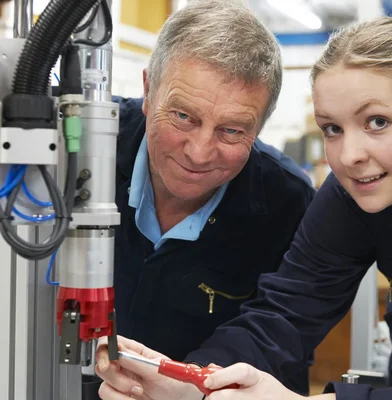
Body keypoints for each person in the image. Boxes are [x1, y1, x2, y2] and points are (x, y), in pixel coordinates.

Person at [96, 16, 392, 400]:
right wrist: (193, 381)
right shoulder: (354, 196)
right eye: (333, 128)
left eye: (377, 122)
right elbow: (284, 316)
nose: (348, 155)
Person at [103, 0, 315, 397]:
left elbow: (283, 332)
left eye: (232, 131)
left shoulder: (289, 203)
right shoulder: (85, 144)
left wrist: (195, 383)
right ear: (149, 91)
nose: (199, 153)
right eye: (184, 116)